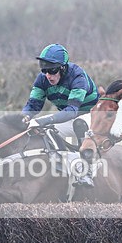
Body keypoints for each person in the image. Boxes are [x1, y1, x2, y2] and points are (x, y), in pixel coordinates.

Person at [21, 43, 99, 187]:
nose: (48, 76)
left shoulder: (78, 76)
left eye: (52, 70)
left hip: (92, 117)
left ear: (63, 67)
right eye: (44, 70)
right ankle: (59, 167)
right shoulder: (42, 79)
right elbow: (33, 105)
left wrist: (42, 120)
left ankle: (87, 173)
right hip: (69, 116)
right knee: (48, 131)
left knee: (79, 123)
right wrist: (24, 118)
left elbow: (72, 110)